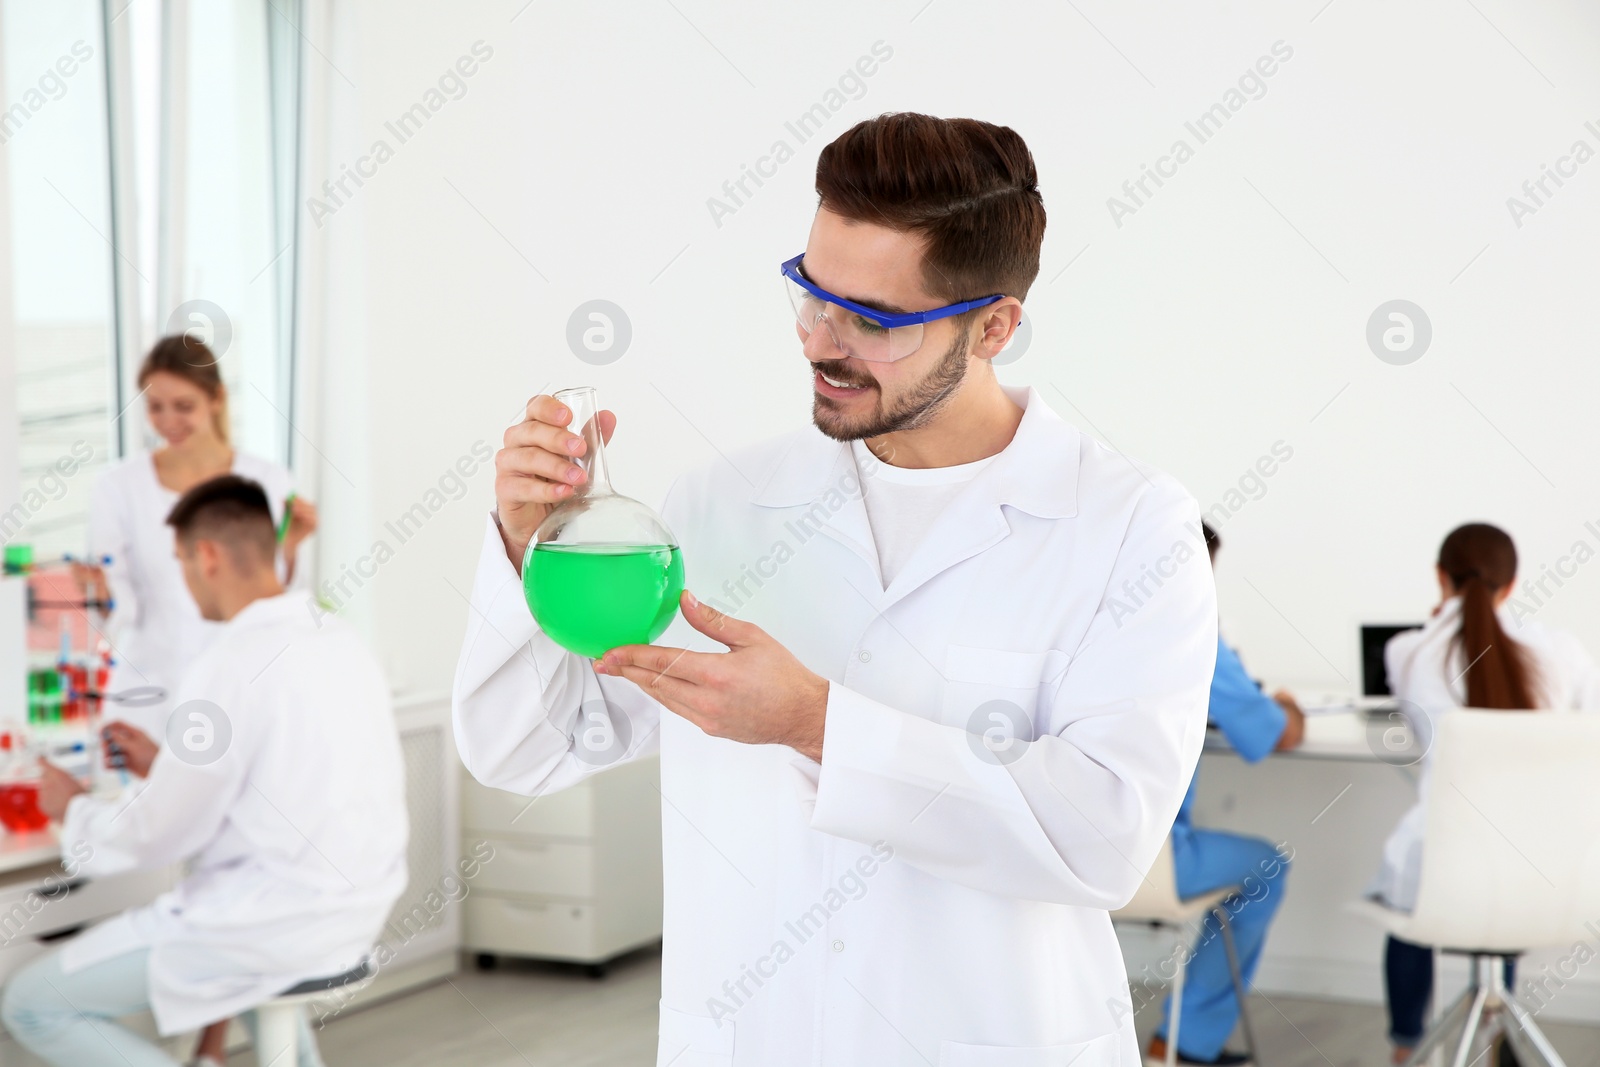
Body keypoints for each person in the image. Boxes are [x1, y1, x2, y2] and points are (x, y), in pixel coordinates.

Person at [454, 113, 1218, 1064]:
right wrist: (531, 545)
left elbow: (1105, 838)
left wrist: (818, 723)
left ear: (994, 326)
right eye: (811, 295)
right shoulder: (719, 504)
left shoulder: (1128, 524)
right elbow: (525, 747)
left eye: (875, 321)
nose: (821, 341)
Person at [1, 475, 408, 1067]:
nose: (184, 581)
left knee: (33, 1004)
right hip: (351, 911)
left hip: (268, 922)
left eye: (181, 562)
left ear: (208, 555)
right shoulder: (341, 640)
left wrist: (74, 810)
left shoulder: (228, 663)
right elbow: (284, 782)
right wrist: (166, 764)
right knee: (253, 981)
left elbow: (157, 832)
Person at [1371, 522, 1600, 1063]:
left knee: (1407, 898)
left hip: (1439, 878)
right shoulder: (1562, 652)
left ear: (1439, 578)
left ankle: (1407, 1047)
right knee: (1505, 875)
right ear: (1513, 584)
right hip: (1543, 875)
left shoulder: (1407, 652)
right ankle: (1499, 1030)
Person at [78, 334, 318, 738]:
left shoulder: (266, 480)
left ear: (217, 399)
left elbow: (279, 601)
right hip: (149, 692)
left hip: (241, 688)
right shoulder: (119, 485)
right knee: (146, 799)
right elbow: (120, 608)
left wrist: (290, 547)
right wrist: (99, 594)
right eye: (155, 408)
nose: (168, 422)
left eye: (183, 406)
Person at [1146, 522, 1305, 1066]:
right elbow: (1272, 734)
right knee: (1267, 868)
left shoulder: (1075, 625)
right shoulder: (1191, 633)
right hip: (1149, 859)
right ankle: (1186, 1040)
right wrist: (1289, 705)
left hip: (1060, 855)